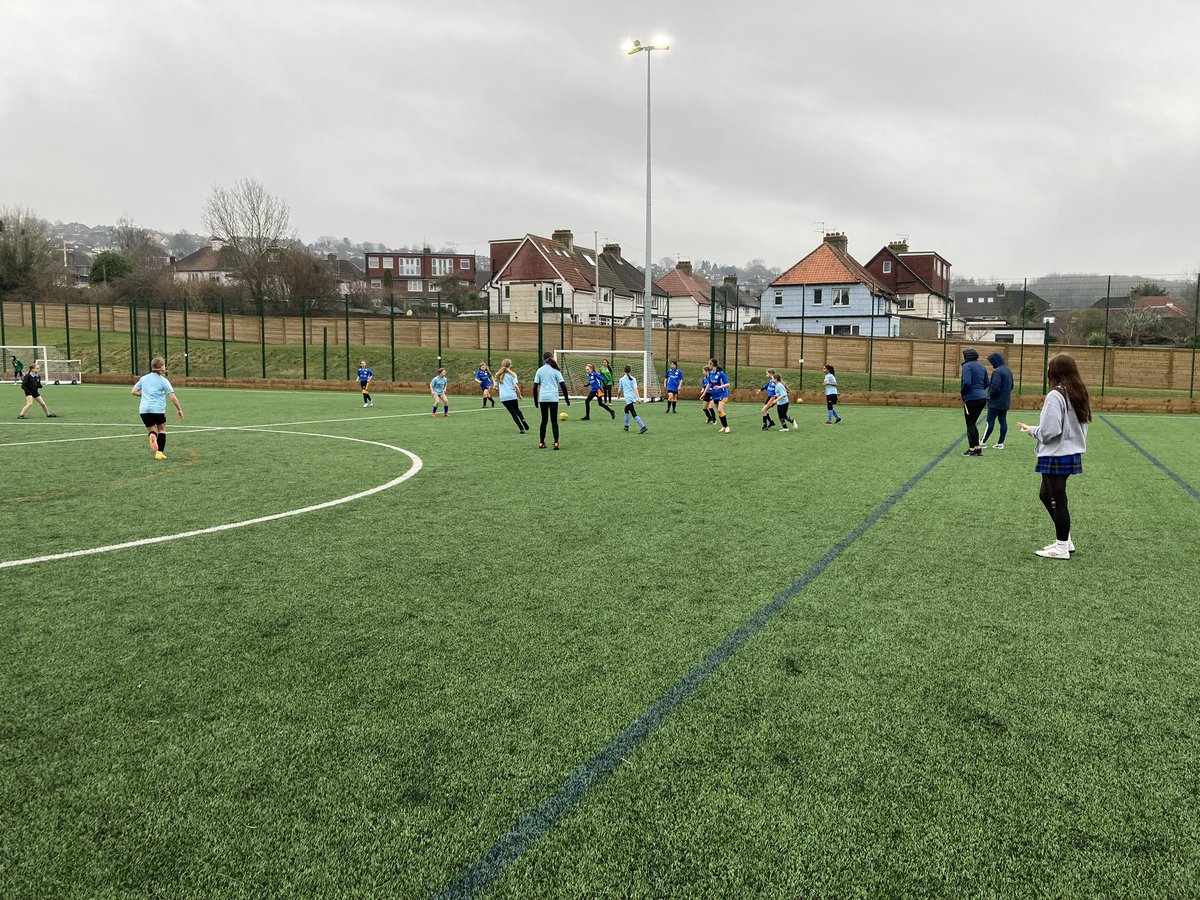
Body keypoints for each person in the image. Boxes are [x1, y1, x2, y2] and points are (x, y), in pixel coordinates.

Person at [1017, 354, 1091, 559]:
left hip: (1056, 453)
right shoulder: (1078, 392)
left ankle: (1061, 547)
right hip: (1070, 451)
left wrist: (1032, 430)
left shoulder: (1055, 395)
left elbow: (1050, 431)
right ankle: (1065, 541)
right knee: (1047, 495)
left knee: (1057, 498)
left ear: (1054, 371)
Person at [131, 356, 182, 460]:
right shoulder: (163, 381)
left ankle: (152, 435)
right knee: (162, 429)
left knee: (152, 429)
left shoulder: (143, 378)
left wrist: (146, 395)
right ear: (161, 367)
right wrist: (179, 409)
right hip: (158, 410)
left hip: (144, 410)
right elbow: (173, 397)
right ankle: (159, 453)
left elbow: (133, 391)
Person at [533, 351, 570, 449]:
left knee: (544, 421)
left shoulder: (540, 370)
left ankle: (541, 442)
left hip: (543, 398)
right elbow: (563, 386)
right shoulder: (556, 370)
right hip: (553, 398)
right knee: (554, 421)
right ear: (552, 358)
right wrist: (567, 399)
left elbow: (535, 387)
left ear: (543, 359)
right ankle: (556, 442)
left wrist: (536, 402)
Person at [981, 351, 1013, 449]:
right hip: (1005, 400)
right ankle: (1000, 443)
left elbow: (995, 386)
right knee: (1003, 421)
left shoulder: (997, 371)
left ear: (995, 361)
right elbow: (1012, 385)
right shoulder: (1008, 370)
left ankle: (982, 442)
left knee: (989, 422)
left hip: (995, 402)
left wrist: (990, 396)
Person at [960, 347, 989, 455]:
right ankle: (975, 448)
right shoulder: (981, 365)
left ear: (966, 356)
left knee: (970, 424)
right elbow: (987, 382)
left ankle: (974, 449)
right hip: (982, 398)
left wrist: (963, 392)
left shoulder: (967, 366)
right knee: (973, 423)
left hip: (971, 398)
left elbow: (967, 382)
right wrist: (980, 390)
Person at [496, 359, 530, 434]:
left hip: (504, 397)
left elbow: (495, 386)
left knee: (513, 413)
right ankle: (523, 419)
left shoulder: (498, 375)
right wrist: (519, 394)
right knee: (517, 409)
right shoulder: (513, 374)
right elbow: (515, 386)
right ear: (510, 365)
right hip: (512, 395)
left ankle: (521, 428)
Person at [619, 365, 648, 434]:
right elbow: (635, 389)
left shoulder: (621, 379)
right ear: (630, 370)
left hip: (628, 398)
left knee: (633, 412)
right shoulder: (633, 379)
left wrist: (618, 395)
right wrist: (638, 397)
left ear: (624, 371)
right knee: (626, 409)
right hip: (633, 397)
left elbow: (620, 390)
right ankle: (626, 426)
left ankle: (643, 426)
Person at [708, 358, 731, 433]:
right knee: (720, 412)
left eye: (709, 364)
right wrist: (704, 393)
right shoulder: (711, 373)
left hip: (723, 394)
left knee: (719, 410)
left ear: (713, 364)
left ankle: (727, 427)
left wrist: (720, 387)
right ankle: (723, 426)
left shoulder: (721, 373)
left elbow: (728, 384)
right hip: (715, 395)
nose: (708, 365)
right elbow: (709, 384)